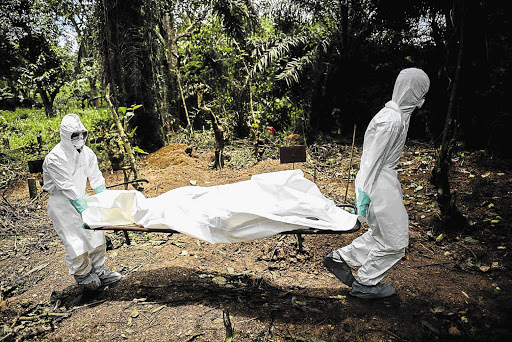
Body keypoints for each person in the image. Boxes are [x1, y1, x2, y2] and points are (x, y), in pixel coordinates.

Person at [323, 68, 430, 299]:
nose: (422, 100)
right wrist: (363, 198)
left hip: (382, 183)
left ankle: (341, 258)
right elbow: (372, 161)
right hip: (378, 185)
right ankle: (365, 282)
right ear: (414, 92)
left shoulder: (397, 116)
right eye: (422, 93)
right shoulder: (391, 120)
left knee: (382, 235)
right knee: (396, 240)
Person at [43, 113, 122, 290]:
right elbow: (66, 186)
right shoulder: (55, 158)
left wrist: (103, 198)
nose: (79, 138)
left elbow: (96, 177)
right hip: (62, 203)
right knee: (75, 240)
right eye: (74, 135)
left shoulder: (87, 153)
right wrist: (83, 208)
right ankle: (83, 274)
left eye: (82, 134)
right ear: (65, 135)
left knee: (96, 234)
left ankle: (99, 270)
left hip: (82, 196)